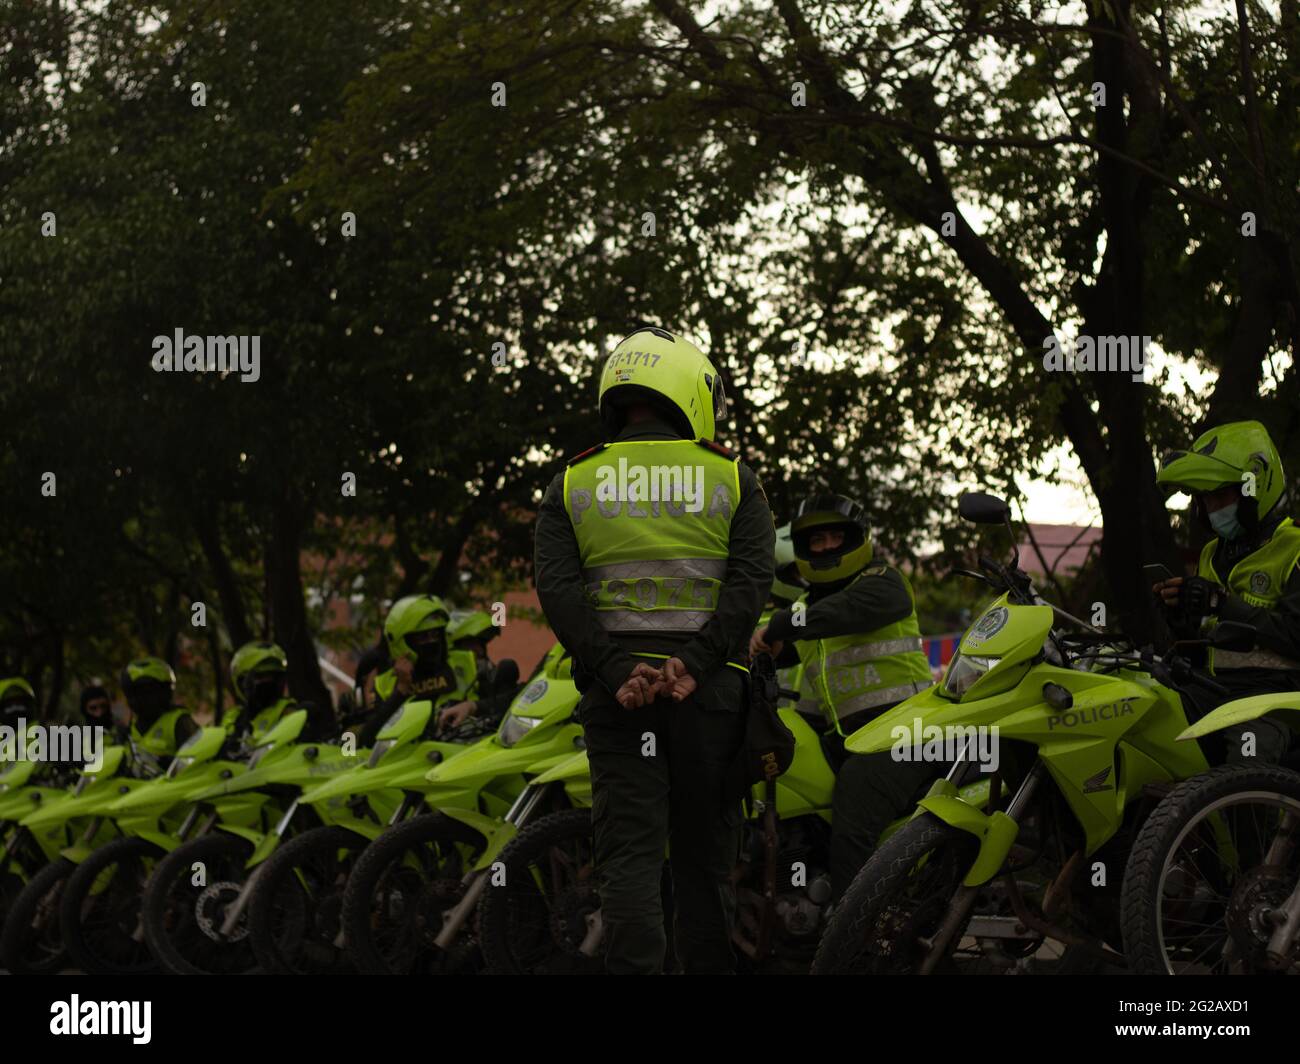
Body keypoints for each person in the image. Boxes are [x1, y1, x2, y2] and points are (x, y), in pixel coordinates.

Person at [534, 325, 774, 974]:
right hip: (709, 701)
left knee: (632, 866)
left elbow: (556, 591)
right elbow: (751, 584)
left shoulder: (573, 482)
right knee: (704, 868)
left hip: (624, 704)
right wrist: (693, 666)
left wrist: (616, 671)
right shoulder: (731, 476)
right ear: (686, 391)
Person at [750, 493, 935, 900]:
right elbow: (789, 653)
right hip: (848, 739)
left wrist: (780, 626)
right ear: (803, 550)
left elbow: (839, 613)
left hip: (906, 732)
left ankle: (856, 941)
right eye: (817, 542)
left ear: (856, 539)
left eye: (836, 536)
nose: (828, 547)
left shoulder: (882, 582)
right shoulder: (805, 609)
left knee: (853, 816)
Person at [1154, 419, 1300, 762]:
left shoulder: (1293, 547)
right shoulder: (1211, 554)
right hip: (1214, 690)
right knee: (1146, 724)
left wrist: (1221, 602)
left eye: (1220, 495)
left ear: (1254, 487)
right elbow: (1206, 644)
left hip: (1274, 700)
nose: (1211, 509)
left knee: (1245, 762)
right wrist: (1178, 617)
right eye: (1204, 500)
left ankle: (1252, 814)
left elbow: (1296, 636)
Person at [356, 594, 482, 746]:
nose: (432, 642)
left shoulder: (466, 662)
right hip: (411, 764)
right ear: (401, 642)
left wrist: (472, 706)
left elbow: (502, 702)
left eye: (436, 635)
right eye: (422, 637)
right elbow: (367, 740)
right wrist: (401, 690)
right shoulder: (385, 683)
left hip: (464, 755)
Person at [225, 641, 333, 744]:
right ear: (241, 682)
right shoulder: (233, 718)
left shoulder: (288, 711)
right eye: (260, 677)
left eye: (273, 676)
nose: (267, 682)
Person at [437, 610, 522, 733]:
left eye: (481, 645)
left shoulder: (491, 681)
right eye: (471, 644)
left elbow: (512, 699)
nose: (480, 651)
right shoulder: (431, 683)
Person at [119, 656, 197, 766]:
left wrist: (171, 763)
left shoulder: (179, 721)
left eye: (146, 692)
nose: (140, 699)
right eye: (134, 694)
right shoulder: (128, 732)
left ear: (163, 692)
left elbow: (197, 760)